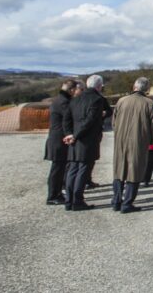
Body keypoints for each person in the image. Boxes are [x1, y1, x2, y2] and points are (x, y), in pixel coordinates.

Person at [110, 77, 153, 214]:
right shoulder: (150, 104)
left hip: (121, 140)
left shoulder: (121, 101)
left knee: (119, 170)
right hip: (139, 141)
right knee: (135, 171)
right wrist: (150, 140)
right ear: (147, 89)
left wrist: (119, 133)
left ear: (134, 87)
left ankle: (116, 201)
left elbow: (114, 122)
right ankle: (127, 203)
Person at [62, 75, 106, 211]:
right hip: (87, 140)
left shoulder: (75, 99)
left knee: (73, 169)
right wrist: (75, 135)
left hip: (74, 141)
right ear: (99, 86)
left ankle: (69, 201)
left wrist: (69, 134)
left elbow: (66, 119)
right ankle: (77, 201)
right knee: (82, 171)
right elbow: (90, 121)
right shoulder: (97, 99)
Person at [43, 78, 76, 205]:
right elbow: (70, 118)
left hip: (55, 138)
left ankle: (56, 193)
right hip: (59, 140)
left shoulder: (58, 100)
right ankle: (52, 196)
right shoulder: (64, 103)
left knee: (58, 169)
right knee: (57, 170)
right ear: (72, 90)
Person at [85, 82, 113, 190]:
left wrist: (104, 113)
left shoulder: (99, 98)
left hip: (90, 131)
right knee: (87, 158)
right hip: (92, 131)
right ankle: (84, 181)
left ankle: (87, 180)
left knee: (90, 158)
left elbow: (109, 111)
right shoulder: (98, 99)